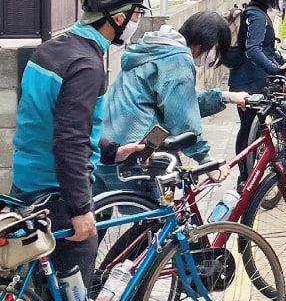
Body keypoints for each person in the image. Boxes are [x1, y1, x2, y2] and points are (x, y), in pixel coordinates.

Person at [3, 0, 149, 301]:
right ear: (119, 16)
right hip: (59, 198)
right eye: (131, 16)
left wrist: (111, 151)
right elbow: (67, 140)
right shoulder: (88, 63)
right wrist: (82, 209)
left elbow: (60, 126)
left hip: (29, 187)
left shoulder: (54, 48)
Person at [94, 13, 249, 194]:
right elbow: (182, 118)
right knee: (162, 218)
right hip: (135, 152)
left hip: (103, 147)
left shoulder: (155, 49)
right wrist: (206, 162)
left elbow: (182, 100)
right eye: (216, 50)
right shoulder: (177, 59)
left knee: (99, 217)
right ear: (211, 43)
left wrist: (226, 97)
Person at [229, 0, 286, 178]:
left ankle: (247, 174)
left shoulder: (255, 12)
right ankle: (245, 177)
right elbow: (253, 49)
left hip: (247, 79)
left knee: (250, 128)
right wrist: (274, 69)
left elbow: (267, 49)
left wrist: (280, 62)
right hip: (250, 81)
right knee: (248, 128)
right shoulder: (257, 16)